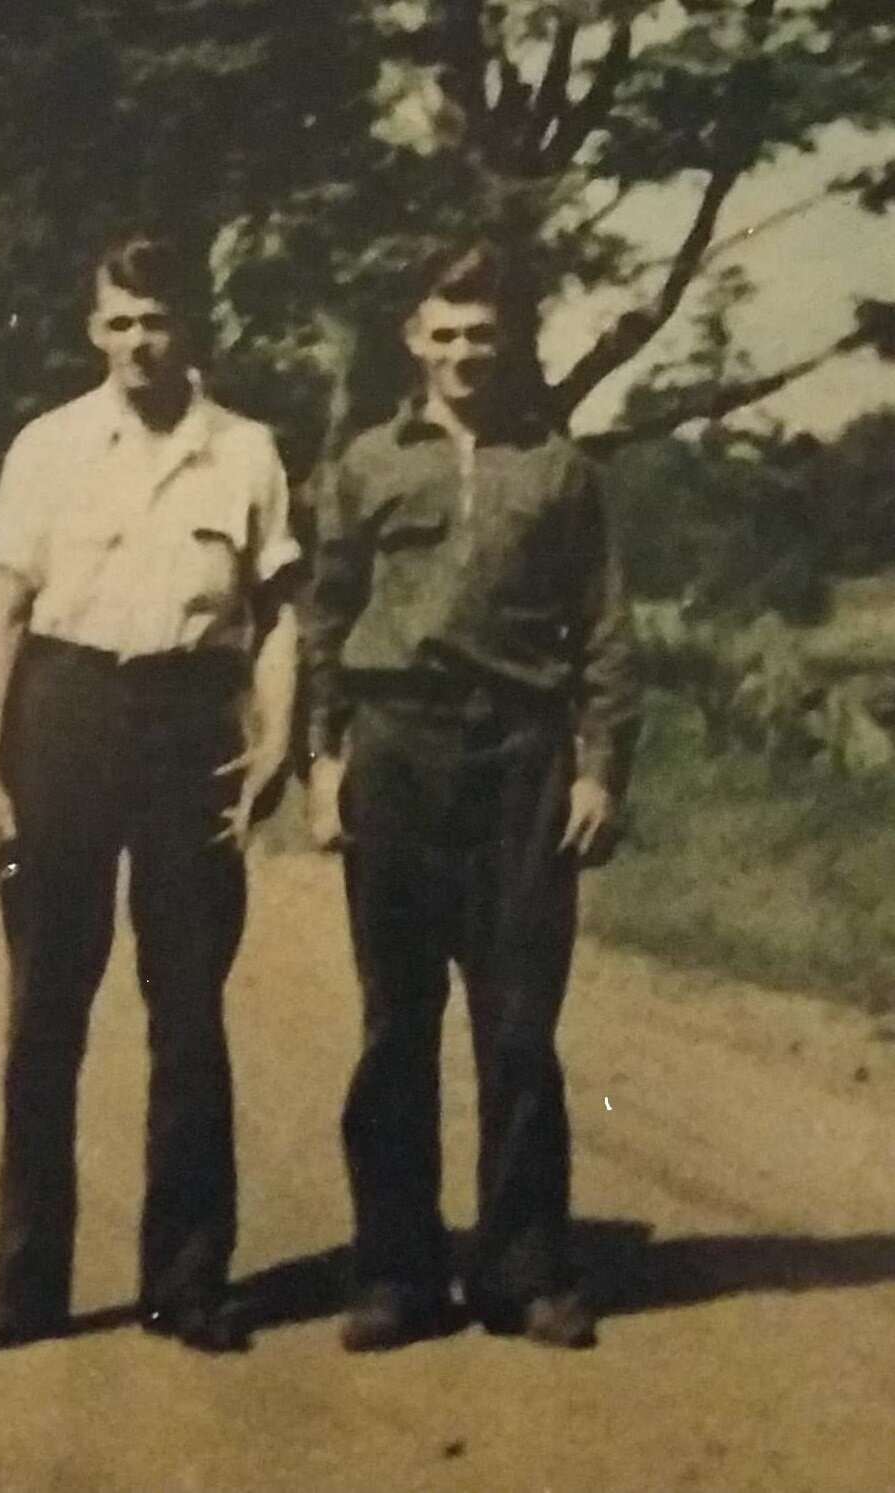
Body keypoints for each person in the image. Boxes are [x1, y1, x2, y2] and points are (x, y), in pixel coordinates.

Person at [0, 236, 300, 1355]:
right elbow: (2, 613)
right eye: (118, 322)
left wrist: (279, 738)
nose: (137, 343)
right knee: (46, 1003)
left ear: (189, 322)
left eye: (155, 320)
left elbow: (278, 610)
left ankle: (188, 1281)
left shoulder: (245, 451)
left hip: (189, 724)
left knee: (189, 1006)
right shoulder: (48, 445)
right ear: (91, 327)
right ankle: (28, 1284)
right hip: (62, 717)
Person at [304, 245, 641, 1352]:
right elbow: (325, 616)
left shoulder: (558, 469)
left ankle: (523, 1270)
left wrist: (598, 766)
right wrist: (322, 756)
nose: (460, 354)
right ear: (412, 337)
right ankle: (396, 1271)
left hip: (521, 757)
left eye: (479, 335)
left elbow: (602, 628)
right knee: (395, 1017)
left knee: (517, 1022)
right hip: (397, 748)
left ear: (510, 341)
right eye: (441, 333)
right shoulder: (364, 463)